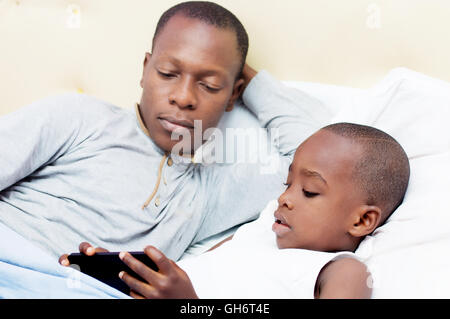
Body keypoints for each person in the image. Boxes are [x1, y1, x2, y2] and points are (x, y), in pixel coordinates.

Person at [0, 1, 328, 262]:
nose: (183, 97)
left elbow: (320, 155)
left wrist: (238, 69)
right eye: (168, 72)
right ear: (145, 69)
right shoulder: (79, 118)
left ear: (233, 94)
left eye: (209, 85)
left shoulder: (210, 194)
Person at [104, 123, 410, 299]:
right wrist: (132, 272)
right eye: (287, 184)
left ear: (362, 220)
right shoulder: (261, 229)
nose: (284, 199)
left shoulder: (343, 270)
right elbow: (192, 271)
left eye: (309, 192)